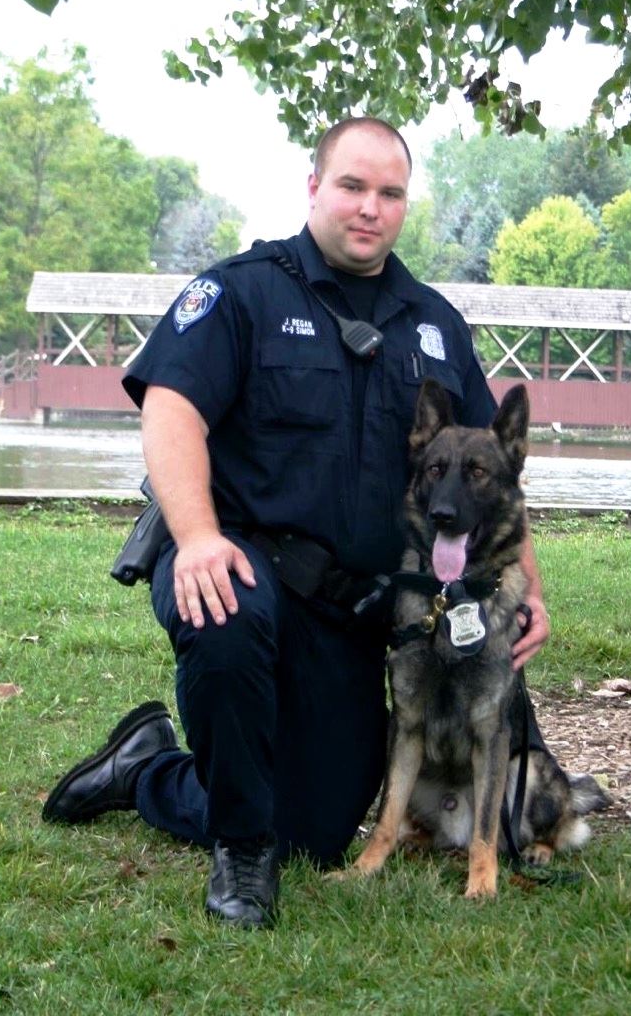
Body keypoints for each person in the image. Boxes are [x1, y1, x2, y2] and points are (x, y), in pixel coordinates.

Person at [43, 117, 549, 929]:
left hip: (346, 611)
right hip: (241, 563)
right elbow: (171, 408)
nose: (369, 208)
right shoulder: (243, 291)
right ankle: (240, 858)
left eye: (389, 193)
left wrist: (529, 592)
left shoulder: (434, 322)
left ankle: (145, 772)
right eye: (351, 185)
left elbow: (492, 466)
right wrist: (200, 536)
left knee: (314, 831)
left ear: (404, 205)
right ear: (314, 186)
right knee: (227, 613)